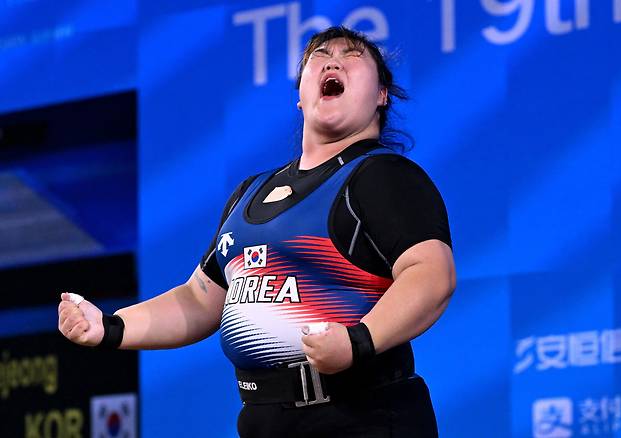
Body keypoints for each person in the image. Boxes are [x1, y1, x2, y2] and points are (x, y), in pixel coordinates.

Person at [58, 26, 456, 437]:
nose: (333, 60)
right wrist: (109, 327)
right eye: (320, 55)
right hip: (264, 422)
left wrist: (358, 342)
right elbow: (199, 298)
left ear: (381, 95)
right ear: (300, 96)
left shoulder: (383, 176)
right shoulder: (250, 193)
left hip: (361, 417)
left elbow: (432, 275)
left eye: (353, 55)